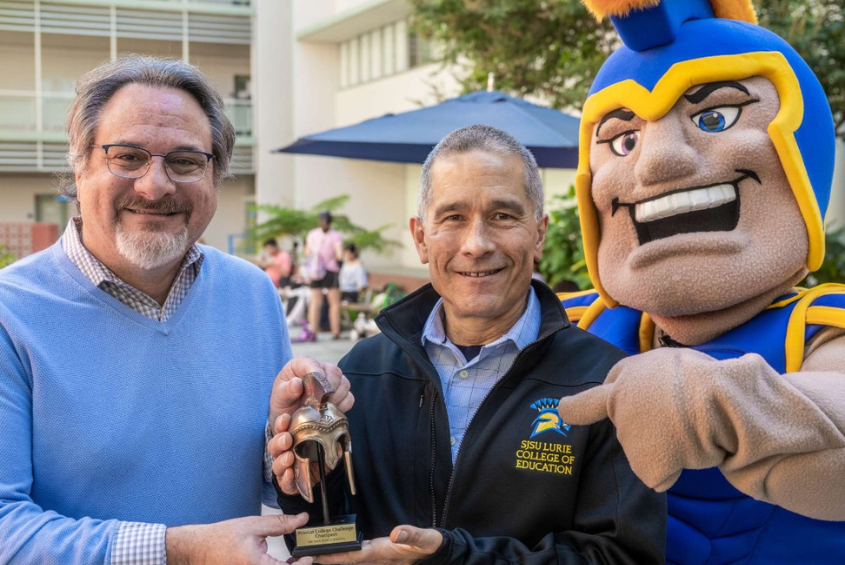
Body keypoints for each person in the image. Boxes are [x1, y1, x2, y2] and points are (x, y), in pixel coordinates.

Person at [0, 55, 352, 565]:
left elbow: (273, 490)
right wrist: (177, 550)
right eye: (128, 157)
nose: (155, 185)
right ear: (80, 165)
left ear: (215, 177)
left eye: (185, 162)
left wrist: (287, 440)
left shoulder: (251, 293)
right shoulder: (11, 311)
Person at [270, 125, 666, 565]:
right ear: (421, 238)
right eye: (453, 217)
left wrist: (451, 558)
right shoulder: (362, 371)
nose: (476, 244)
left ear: (538, 234)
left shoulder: (608, 384)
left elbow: (623, 557)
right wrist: (303, 482)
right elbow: (322, 535)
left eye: (503, 216)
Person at [556, 1, 845, 564]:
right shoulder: (576, 322)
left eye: (716, 117)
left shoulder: (820, 327)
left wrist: (725, 406)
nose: (657, 162)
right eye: (624, 140)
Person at [303, 211, 343, 339]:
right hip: (330, 270)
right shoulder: (335, 236)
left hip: (315, 271)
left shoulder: (312, 234)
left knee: (316, 302)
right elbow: (339, 255)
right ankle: (335, 332)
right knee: (334, 303)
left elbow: (307, 252)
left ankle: (313, 331)